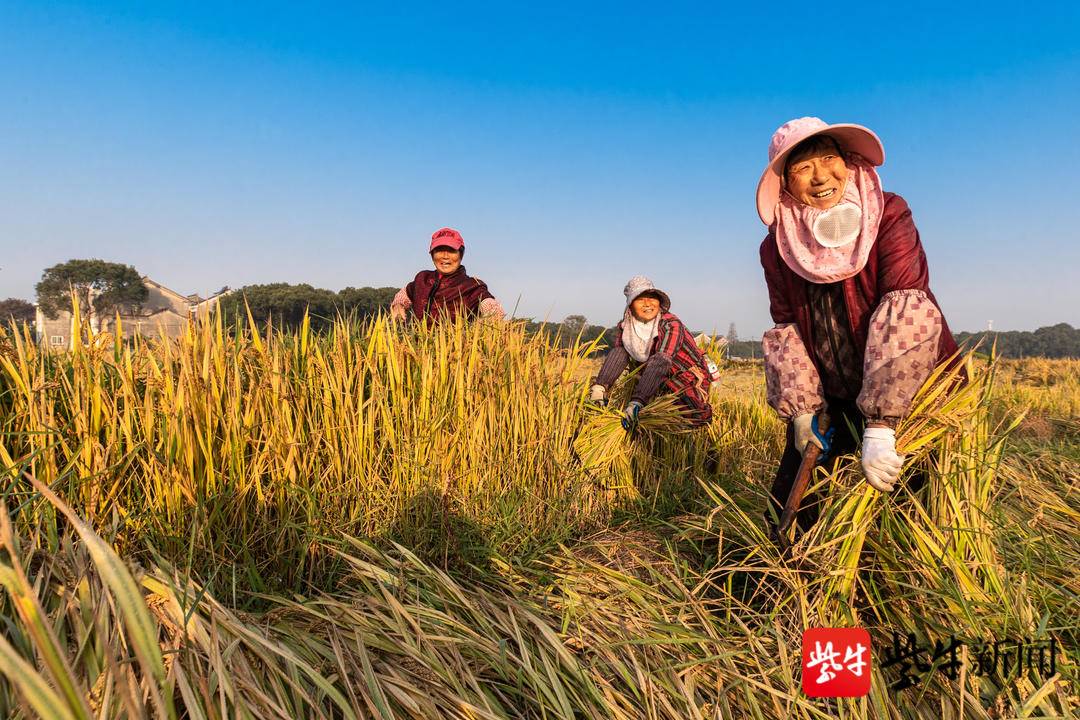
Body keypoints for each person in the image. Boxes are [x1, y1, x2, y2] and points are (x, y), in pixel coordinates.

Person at [756, 117, 959, 532]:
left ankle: (908, 587)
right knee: (793, 504)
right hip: (834, 394)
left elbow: (906, 307)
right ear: (786, 184)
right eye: (802, 167)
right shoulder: (777, 246)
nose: (820, 176)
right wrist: (802, 412)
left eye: (829, 158)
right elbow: (788, 328)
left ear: (847, 162)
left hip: (909, 389)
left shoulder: (888, 215)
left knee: (908, 506)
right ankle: (784, 581)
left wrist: (883, 424)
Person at [589, 276, 714, 431]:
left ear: (659, 302)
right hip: (652, 377)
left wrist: (637, 401)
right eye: (640, 299)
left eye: (652, 298)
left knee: (694, 417)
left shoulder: (670, 324)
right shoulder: (626, 327)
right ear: (630, 306)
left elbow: (662, 359)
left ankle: (705, 448)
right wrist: (600, 387)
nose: (648, 303)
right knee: (647, 426)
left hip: (685, 376)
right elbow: (619, 353)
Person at [389, 227, 505, 322]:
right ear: (432, 254)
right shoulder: (422, 278)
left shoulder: (473, 286)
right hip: (418, 348)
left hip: (454, 348)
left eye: (451, 250)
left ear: (461, 254)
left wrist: (491, 317)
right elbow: (406, 293)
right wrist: (398, 305)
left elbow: (489, 303)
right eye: (439, 250)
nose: (445, 256)